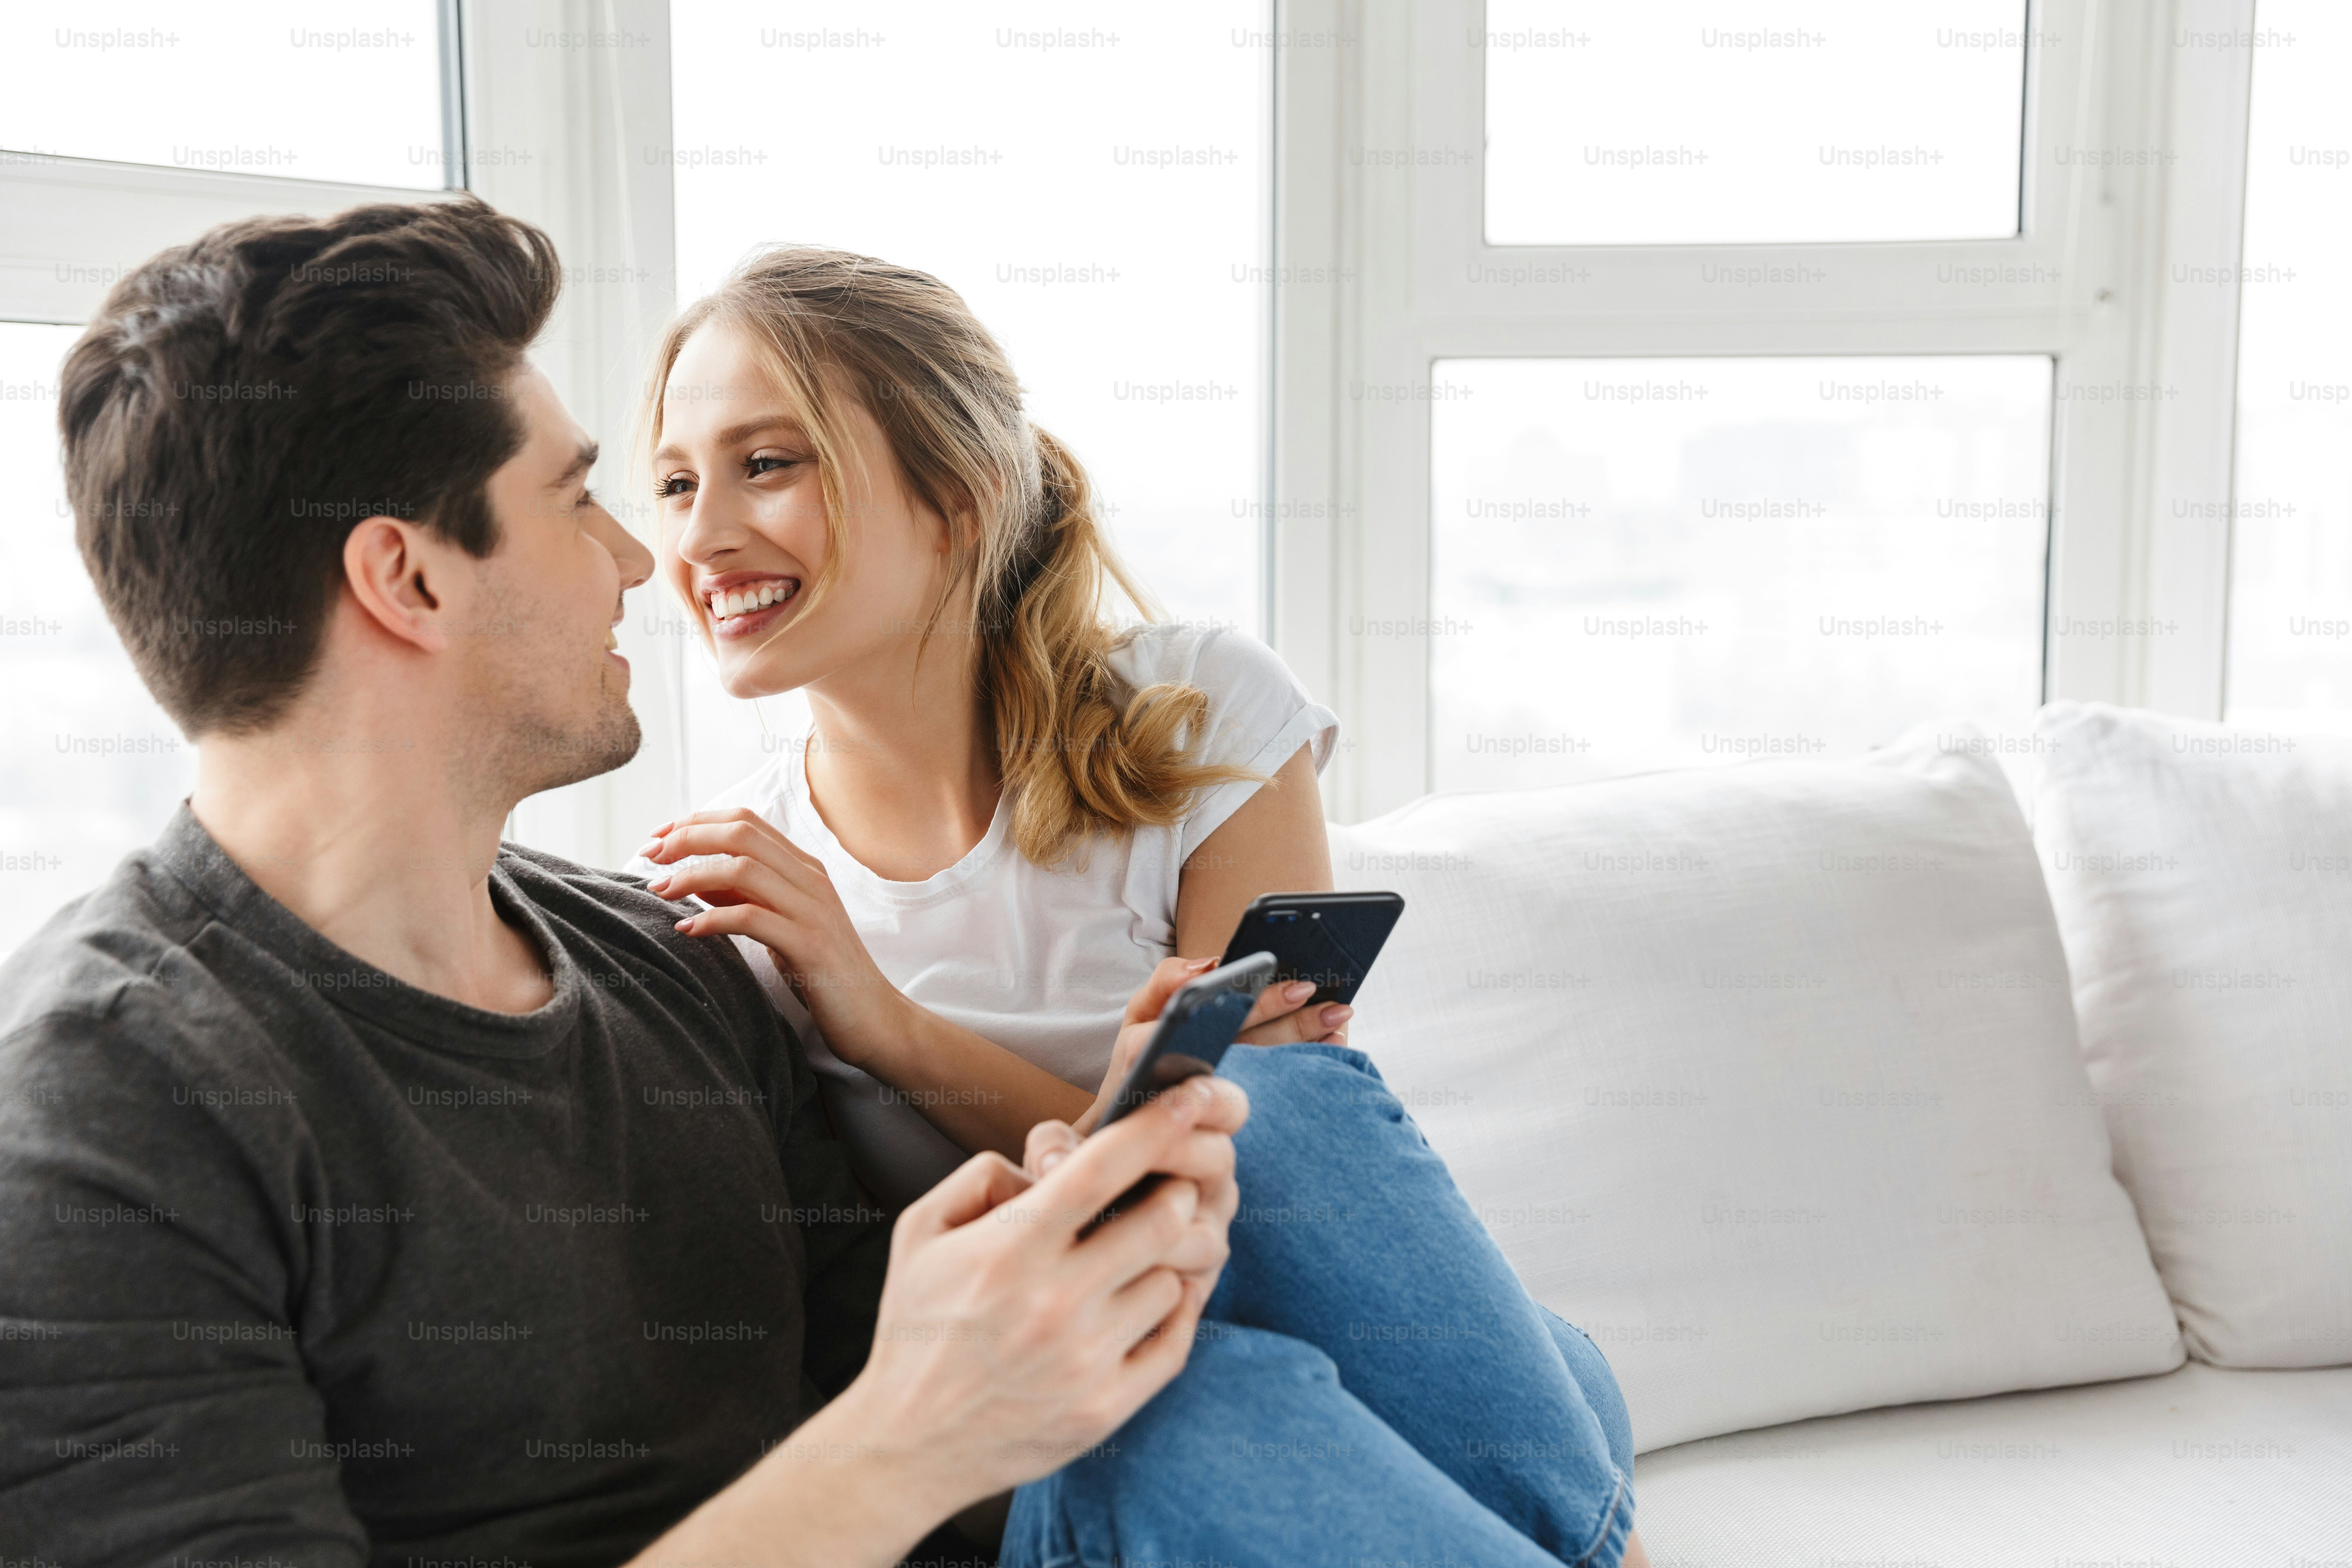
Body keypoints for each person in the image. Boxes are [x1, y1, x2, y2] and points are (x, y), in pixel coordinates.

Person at [0, 197, 1644, 1567]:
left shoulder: (673, 958)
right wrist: (911, 1434)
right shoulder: (105, 1108)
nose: (646, 558)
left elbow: (921, 1355)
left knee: (1213, 1384)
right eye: (585, 498)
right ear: (408, 579)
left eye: (749, 469)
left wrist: (1074, 1236)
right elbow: (909, 1425)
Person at [624, 247, 1342, 1207]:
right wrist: (1127, 1123)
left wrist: (885, 1025)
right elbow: (1168, 1189)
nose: (700, 537)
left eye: (765, 465)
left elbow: (1276, 1190)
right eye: (676, 485)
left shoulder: (1204, 709)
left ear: (960, 498)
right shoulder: (727, 902)